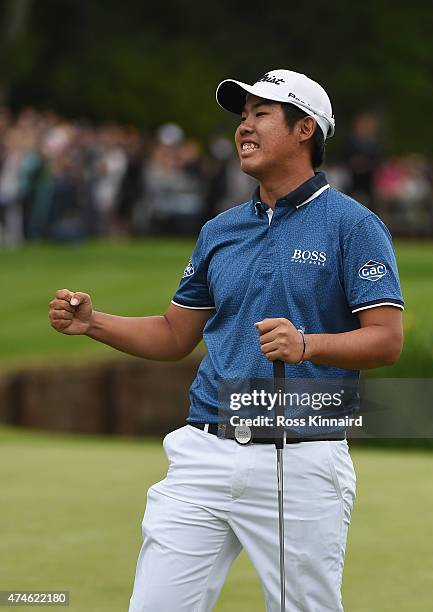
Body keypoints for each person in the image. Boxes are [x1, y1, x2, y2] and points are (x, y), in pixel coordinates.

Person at [48, 69, 404, 611]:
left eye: (261, 114)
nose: (245, 128)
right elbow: (173, 335)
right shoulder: (221, 230)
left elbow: (386, 340)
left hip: (300, 459)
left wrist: (308, 344)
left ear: (305, 128)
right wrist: (93, 323)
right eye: (242, 117)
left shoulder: (352, 225)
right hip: (204, 451)